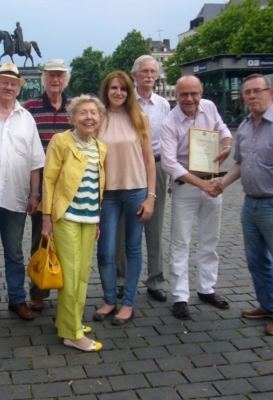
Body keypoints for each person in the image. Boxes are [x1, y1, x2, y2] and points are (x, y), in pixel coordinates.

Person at [0, 63, 45, 324]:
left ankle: (17, 299)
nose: (9, 86)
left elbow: (36, 161)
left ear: (18, 88)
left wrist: (35, 194)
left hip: (15, 197)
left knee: (14, 252)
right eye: (4, 82)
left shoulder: (27, 118)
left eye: (13, 83)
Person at [160, 75, 232, 320]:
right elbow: (169, 163)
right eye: (183, 94)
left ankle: (206, 288)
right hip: (187, 186)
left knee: (210, 239)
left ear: (201, 93)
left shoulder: (209, 107)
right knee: (180, 243)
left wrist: (227, 145)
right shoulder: (170, 122)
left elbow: (222, 128)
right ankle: (180, 296)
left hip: (211, 182)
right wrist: (201, 184)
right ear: (176, 96)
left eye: (194, 93)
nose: (189, 99)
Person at [41, 94, 107, 351]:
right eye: (83, 113)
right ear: (73, 118)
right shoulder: (61, 141)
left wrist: (98, 218)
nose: (89, 117)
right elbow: (49, 179)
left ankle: (71, 320)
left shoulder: (101, 147)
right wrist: (46, 217)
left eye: (94, 113)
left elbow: (99, 186)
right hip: (66, 216)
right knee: (69, 276)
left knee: (81, 275)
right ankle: (71, 333)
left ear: (99, 119)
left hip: (90, 218)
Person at [94, 71, 156, 326]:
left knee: (132, 249)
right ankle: (110, 300)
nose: (118, 92)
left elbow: (149, 160)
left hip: (135, 191)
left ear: (129, 92)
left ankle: (128, 303)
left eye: (123, 88)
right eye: (113, 88)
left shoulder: (139, 117)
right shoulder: (98, 118)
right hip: (106, 194)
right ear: (106, 91)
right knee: (105, 251)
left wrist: (151, 196)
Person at [218, 74, 273, 335]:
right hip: (250, 203)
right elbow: (238, 164)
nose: (251, 96)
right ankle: (267, 304)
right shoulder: (246, 126)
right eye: (247, 92)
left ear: (270, 93)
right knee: (256, 260)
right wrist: (221, 184)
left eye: (257, 91)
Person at [114, 55, 171, 302]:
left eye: (153, 71)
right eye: (144, 71)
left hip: (155, 166)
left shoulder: (163, 105)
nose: (149, 75)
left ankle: (155, 279)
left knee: (154, 225)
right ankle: (121, 279)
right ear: (134, 75)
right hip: (127, 167)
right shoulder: (126, 103)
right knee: (122, 227)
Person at [24, 59, 72, 311]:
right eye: (51, 75)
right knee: (40, 236)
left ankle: (66, 288)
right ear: (44, 78)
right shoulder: (30, 107)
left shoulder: (74, 107)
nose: (55, 80)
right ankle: (38, 291)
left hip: (70, 182)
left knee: (67, 236)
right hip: (42, 179)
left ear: (66, 79)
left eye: (60, 76)